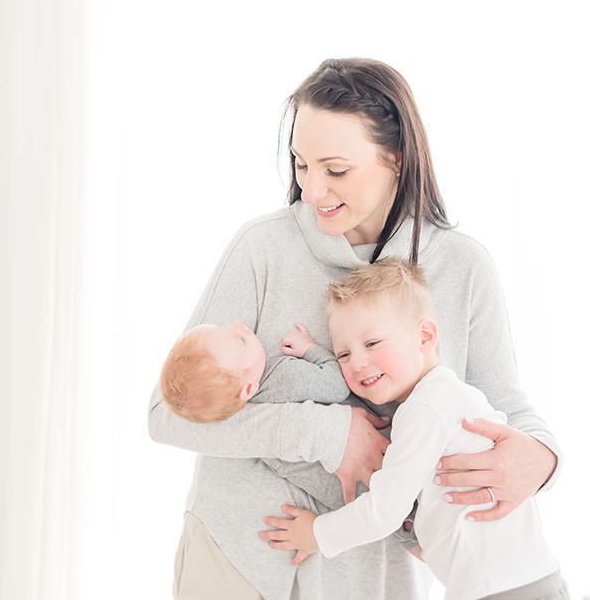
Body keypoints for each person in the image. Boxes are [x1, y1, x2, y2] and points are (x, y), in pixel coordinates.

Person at [147, 58, 562, 600]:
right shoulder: (262, 249)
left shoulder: (462, 268)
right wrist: (328, 436)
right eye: (300, 164)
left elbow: (504, 409)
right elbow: (167, 416)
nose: (313, 190)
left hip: (375, 573)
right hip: (241, 553)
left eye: (336, 170)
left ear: (395, 157)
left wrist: (543, 459)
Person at [261, 259, 568, 600]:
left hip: (500, 590)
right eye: (343, 353)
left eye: (373, 343)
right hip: (525, 580)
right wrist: (315, 352)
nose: (358, 362)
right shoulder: (448, 396)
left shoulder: (425, 408)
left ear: (424, 336)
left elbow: (383, 512)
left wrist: (316, 534)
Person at [159, 321, 350, 423]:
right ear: (248, 389)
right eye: (241, 340)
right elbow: (338, 387)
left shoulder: (252, 409)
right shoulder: (287, 377)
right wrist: (310, 349)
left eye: (226, 327)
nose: (241, 326)